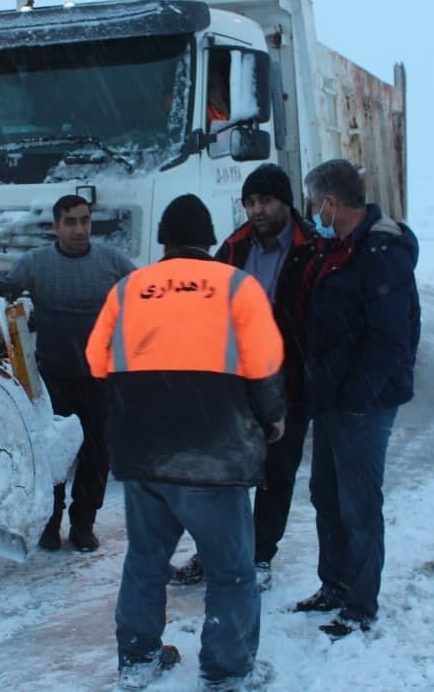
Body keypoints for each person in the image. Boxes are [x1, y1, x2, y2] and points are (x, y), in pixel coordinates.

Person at [86, 194, 285, 691]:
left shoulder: (129, 288)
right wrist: (273, 419)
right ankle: (226, 670)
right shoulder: (238, 285)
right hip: (214, 455)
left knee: (145, 563)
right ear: (209, 240)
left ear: (164, 242)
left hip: (143, 452)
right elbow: (263, 365)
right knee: (231, 571)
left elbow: (96, 361)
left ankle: (138, 660)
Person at [0, 194, 135, 552]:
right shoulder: (37, 263)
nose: (80, 229)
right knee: (54, 455)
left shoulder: (111, 261)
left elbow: (144, 292)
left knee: (96, 454)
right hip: (55, 377)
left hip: (100, 377)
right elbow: (7, 287)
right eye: (71, 222)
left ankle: (84, 525)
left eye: (85, 221)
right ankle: (50, 526)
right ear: (55, 227)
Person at [169, 163, 317, 593]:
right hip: (235, 383)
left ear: (285, 202)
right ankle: (215, 552)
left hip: (289, 381)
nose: (256, 210)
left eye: (265, 201)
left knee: (277, 475)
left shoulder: (311, 248)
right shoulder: (233, 249)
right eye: (250, 202)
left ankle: (260, 557)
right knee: (224, 475)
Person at [290, 159, 421, 639]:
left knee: (358, 503)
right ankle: (335, 585)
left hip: (362, 403)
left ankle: (361, 605)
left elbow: (392, 337)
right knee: (326, 493)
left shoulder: (381, 251)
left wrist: (358, 398)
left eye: (313, 203)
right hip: (333, 397)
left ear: (331, 202)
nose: (312, 213)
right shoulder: (337, 246)